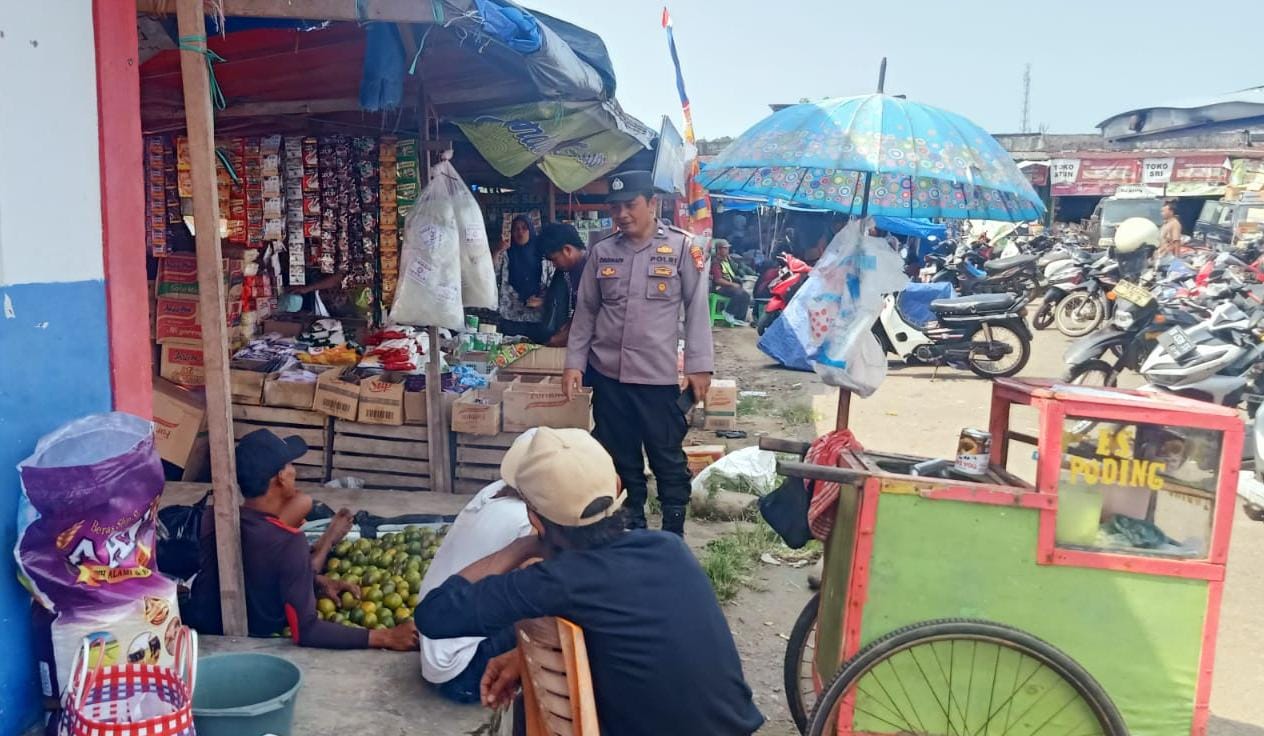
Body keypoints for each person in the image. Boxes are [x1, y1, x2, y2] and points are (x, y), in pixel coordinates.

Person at [416, 428, 764, 736]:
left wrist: (521, 546)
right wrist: (519, 656)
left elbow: (433, 614)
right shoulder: (670, 549)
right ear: (617, 488)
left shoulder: (554, 581)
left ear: (535, 519)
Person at [561, 170, 714, 535]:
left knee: (667, 459)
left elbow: (697, 309)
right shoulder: (602, 252)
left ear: (652, 204)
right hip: (609, 376)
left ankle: (673, 533)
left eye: (630, 205)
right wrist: (573, 364)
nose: (622, 214)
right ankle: (634, 527)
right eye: (616, 208)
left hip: (656, 378)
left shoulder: (681, 247)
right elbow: (585, 312)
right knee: (619, 456)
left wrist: (700, 366)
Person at [184, 429, 418, 651]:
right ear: (281, 478)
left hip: (202, 627)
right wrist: (385, 636)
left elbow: (256, 573)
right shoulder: (287, 540)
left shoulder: (213, 519)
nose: (294, 471)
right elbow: (306, 630)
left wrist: (314, 580)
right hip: (257, 638)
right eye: (290, 466)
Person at [418, 431, 537, 703]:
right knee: (555, 613)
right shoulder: (524, 521)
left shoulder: (492, 491)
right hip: (463, 671)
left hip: (435, 652)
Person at [495, 215, 556, 341]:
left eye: (524, 228)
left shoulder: (544, 256)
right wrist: (497, 251)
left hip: (538, 318)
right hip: (511, 316)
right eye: (516, 229)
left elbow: (555, 283)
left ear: (531, 231)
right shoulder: (507, 254)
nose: (520, 232)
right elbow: (491, 273)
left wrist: (543, 301)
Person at [536, 222, 589, 347]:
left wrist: (567, 335)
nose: (554, 265)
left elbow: (592, 311)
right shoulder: (572, 270)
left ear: (567, 250)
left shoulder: (592, 267)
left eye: (554, 259)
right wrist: (567, 327)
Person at [710, 239, 752, 326]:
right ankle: (728, 312)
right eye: (725, 249)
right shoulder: (716, 262)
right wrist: (732, 284)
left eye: (727, 249)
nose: (727, 251)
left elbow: (735, 270)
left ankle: (739, 318)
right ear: (718, 249)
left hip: (729, 286)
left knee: (746, 295)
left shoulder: (727, 260)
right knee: (739, 292)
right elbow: (718, 280)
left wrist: (731, 261)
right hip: (719, 287)